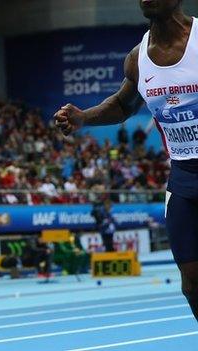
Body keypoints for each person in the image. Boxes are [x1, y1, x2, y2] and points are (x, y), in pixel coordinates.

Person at [54, 0, 198, 320]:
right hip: (184, 177)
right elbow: (122, 105)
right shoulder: (137, 58)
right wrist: (83, 118)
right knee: (191, 285)